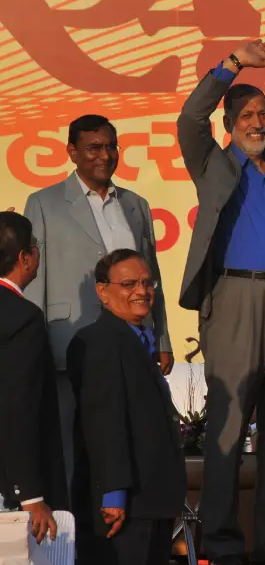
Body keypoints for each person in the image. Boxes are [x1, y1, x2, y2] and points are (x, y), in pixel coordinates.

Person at [176, 38, 265, 565]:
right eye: (246, 115)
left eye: (263, 114)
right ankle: (221, 545)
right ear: (229, 124)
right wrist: (233, 65)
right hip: (234, 299)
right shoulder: (214, 166)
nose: (257, 123)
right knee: (229, 429)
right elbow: (190, 117)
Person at [23, 114, 171, 490]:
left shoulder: (136, 205)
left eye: (110, 147)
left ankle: (124, 517)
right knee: (68, 447)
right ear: (72, 152)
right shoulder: (44, 203)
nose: (104, 155)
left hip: (132, 345)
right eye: (93, 148)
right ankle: (70, 525)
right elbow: (33, 282)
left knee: (128, 440)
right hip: (68, 345)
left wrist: (162, 338)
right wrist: (34, 347)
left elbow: (151, 276)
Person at [67, 249, 186, 565]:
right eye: (129, 283)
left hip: (151, 501)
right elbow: (103, 421)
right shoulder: (98, 340)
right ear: (102, 292)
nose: (142, 291)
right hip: (121, 507)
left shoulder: (138, 338)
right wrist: (114, 494)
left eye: (148, 283)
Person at [0, 212, 67, 540]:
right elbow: (19, 406)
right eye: (35, 245)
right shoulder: (22, 316)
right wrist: (29, 494)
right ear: (25, 258)